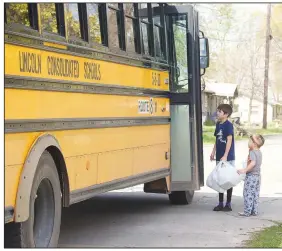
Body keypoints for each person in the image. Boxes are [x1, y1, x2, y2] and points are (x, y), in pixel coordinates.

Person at [210, 104, 235, 212]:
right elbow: (217, 140)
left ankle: (228, 204)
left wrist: (225, 155)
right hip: (219, 157)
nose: (218, 113)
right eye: (218, 111)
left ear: (226, 114)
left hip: (228, 157)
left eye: (219, 111)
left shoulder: (228, 125)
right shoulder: (218, 124)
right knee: (220, 179)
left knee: (227, 179)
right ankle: (220, 203)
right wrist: (213, 152)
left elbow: (229, 140)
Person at [237, 134, 265, 217]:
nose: (248, 143)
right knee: (255, 194)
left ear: (254, 144)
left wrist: (244, 170)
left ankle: (247, 212)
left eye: (250, 141)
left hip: (251, 176)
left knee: (248, 193)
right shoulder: (259, 152)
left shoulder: (253, 152)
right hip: (257, 176)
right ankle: (254, 211)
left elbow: (253, 163)